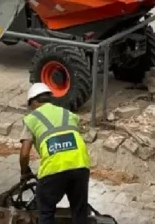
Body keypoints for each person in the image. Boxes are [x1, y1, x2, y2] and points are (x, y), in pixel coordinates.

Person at [19, 83, 91, 224]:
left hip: (54, 168)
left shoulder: (32, 119)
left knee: (46, 210)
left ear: (33, 102)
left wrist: (24, 172)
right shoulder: (67, 113)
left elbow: (24, 154)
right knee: (79, 211)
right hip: (80, 165)